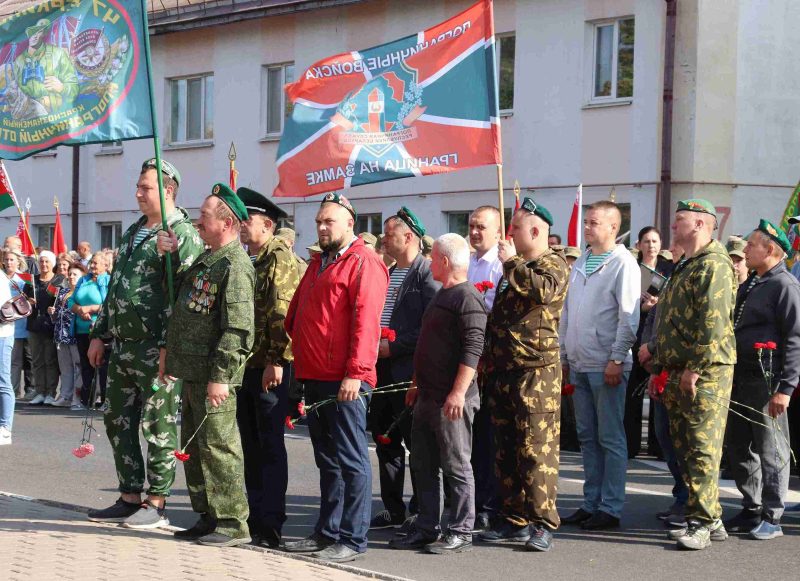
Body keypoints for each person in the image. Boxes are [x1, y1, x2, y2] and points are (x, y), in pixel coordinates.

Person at [86, 158, 204, 530]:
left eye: (146, 188)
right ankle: (130, 495)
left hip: (158, 350)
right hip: (123, 347)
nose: (138, 193)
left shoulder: (181, 233)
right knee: (118, 420)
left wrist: (178, 255)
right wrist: (99, 335)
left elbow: (190, 291)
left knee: (158, 424)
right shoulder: (135, 230)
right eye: (138, 186)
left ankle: (157, 500)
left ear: (168, 191)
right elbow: (116, 289)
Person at [284, 192, 388, 563]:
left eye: (330, 221)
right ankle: (326, 532)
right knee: (327, 461)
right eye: (319, 221)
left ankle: (353, 539)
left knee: (352, 460)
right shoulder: (320, 262)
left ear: (350, 223)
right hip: (315, 376)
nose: (323, 227)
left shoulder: (364, 262)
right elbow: (297, 313)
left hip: (345, 380)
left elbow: (366, 323)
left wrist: (356, 374)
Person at [157, 183, 254, 546]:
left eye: (203, 217)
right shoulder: (207, 258)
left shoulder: (235, 265)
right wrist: (168, 255)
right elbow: (182, 300)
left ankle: (231, 523)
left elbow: (238, 329)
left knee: (219, 447)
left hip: (213, 376)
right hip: (192, 370)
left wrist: (221, 376)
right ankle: (208, 516)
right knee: (195, 448)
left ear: (227, 223)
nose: (197, 223)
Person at [478, 198, 569, 552]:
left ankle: (543, 522)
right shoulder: (514, 268)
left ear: (535, 231)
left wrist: (511, 262)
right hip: (505, 369)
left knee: (536, 449)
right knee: (507, 448)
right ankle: (514, 518)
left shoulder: (553, 264)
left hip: (536, 372)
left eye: (514, 228)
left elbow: (542, 291)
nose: (509, 235)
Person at [389, 233, 486, 554]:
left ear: (445, 261)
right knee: (423, 463)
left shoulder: (467, 298)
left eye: (433, 258)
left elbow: (473, 349)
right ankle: (427, 527)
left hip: (451, 400)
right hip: (427, 396)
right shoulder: (441, 294)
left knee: (456, 465)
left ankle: (460, 530)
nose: (429, 262)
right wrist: (416, 382)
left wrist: (458, 393)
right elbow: (427, 345)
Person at [650, 199, 737, 550]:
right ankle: (711, 518)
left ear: (700, 224)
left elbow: (712, 324)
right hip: (679, 370)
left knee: (702, 448)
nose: (674, 226)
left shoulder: (714, 265)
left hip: (704, 373)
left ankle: (700, 524)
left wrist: (694, 368)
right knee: (685, 448)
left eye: (680, 219)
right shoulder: (688, 264)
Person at [560, 201, 640, 531]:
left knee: (610, 438)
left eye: (595, 223)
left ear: (612, 228)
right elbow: (567, 313)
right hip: (579, 362)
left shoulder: (624, 264)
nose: (588, 228)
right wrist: (564, 355)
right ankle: (590, 501)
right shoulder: (581, 261)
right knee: (586, 438)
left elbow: (629, 318)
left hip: (606, 364)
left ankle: (611, 506)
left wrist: (617, 358)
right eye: (587, 222)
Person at [724, 220, 799, 540]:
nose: (747, 250)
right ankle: (751, 506)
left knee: (772, 449)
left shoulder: (784, 285)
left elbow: (795, 338)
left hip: (767, 379)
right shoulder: (755, 282)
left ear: (770, 250)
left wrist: (786, 388)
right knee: (740, 445)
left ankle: (773, 513)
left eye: (752, 245)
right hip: (743, 377)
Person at [236, 187, 300, 548]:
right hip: (252, 364)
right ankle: (256, 516)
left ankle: (270, 522)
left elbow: (282, 313)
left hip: (269, 366)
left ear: (268, 225)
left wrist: (277, 360)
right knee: (252, 443)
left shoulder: (279, 258)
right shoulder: (255, 258)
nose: (242, 226)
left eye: (249, 221)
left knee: (269, 445)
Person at [369, 207, 439, 532]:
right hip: (380, 372)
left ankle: (422, 508)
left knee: (418, 444)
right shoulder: (385, 270)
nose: (383, 239)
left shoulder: (426, 274)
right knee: (385, 440)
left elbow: (430, 325)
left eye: (389, 233)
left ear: (408, 236)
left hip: (407, 374)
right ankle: (392, 508)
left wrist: (394, 347)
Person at [466, 205, 504, 530]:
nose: (476, 232)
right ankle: (472, 501)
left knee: (490, 439)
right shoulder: (469, 263)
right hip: (468, 360)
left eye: (482, 227)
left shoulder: (499, 266)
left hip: (490, 361)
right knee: (474, 437)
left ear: (497, 230)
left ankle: (490, 505)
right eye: (472, 226)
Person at [625, 227, 674, 458]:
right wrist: (642, 307)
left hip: (660, 337)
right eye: (646, 241)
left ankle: (657, 445)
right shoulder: (632, 269)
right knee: (633, 393)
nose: (651, 245)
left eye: (655, 241)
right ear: (639, 244)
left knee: (658, 391)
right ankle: (631, 443)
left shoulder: (669, 270)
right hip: (637, 335)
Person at [13, 18, 78, 115]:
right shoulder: (18, 61)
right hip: (25, 119)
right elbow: (12, 90)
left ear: (44, 35)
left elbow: (74, 87)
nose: (35, 36)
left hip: (53, 117)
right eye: (33, 32)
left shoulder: (58, 53)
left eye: (39, 32)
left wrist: (62, 87)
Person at [71, 253, 110, 409]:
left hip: (100, 330)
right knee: (86, 365)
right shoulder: (83, 280)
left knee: (102, 365)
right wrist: (80, 309)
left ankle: (105, 400)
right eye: (92, 263)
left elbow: (109, 303)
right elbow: (71, 300)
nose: (92, 266)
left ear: (106, 266)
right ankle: (86, 400)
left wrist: (92, 308)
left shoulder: (108, 280)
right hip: (81, 328)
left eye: (96, 263)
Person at [26, 250, 65, 406]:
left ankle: (50, 392)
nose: (43, 264)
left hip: (49, 326)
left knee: (49, 360)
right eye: (41, 261)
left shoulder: (58, 281)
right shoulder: (32, 281)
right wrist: (28, 301)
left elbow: (60, 301)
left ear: (52, 263)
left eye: (47, 261)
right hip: (34, 324)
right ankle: (40, 391)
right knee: (36, 360)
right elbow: (24, 300)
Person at [48, 262, 85, 409]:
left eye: (75, 274)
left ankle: (77, 398)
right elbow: (57, 316)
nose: (71, 276)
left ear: (82, 276)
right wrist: (53, 313)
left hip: (75, 336)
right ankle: (65, 396)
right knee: (65, 369)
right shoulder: (62, 292)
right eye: (70, 274)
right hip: (61, 336)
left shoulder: (82, 292)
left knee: (78, 368)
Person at [4, 249, 33, 399]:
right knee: (11, 360)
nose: (9, 263)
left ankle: (24, 390)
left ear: (18, 262)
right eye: (7, 260)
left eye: (12, 260)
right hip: (5, 325)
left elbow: (29, 301)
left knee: (25, 360)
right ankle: (12, 390)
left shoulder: (23, 280)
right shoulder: (2, 278)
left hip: (22, 324)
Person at [0, 250, 20, 445]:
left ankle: (6, 429)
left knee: (3, 381)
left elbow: (3, 309)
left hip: (2, 336)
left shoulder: (0, 278)